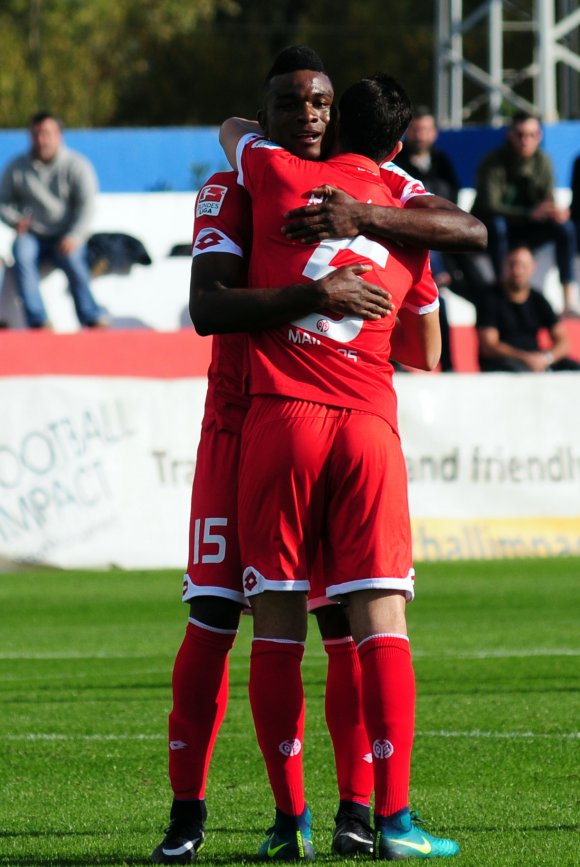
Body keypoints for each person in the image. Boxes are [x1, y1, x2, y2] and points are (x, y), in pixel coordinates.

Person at [152, 47, 483, 865]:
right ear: (267, 116)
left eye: (323, 103)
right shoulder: (240, 185)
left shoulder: (354, 189)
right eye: (295, 102)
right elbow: (208, 307)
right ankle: (198, 815)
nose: (310, 114)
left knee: (331, 620)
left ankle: (352, 813)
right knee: (215, 613)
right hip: (241, 418)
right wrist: (322, 289)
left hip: (286, 416)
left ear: (340, 114)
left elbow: (450, 236)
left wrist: (356, 225)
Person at [220, 71, 460, 861]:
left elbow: (231, 130)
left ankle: (290, 823)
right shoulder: (409, 220)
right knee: (378, 620)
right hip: (364, 423)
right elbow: (426, 352)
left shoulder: (273, 170)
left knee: (279, 625)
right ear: (396, 147)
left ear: (329, 123)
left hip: (279, 419)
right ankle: (391, 819)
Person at [0, 111, 107, 329]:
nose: (41, 140)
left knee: (75, 259)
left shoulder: (77, 166)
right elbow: (3, 202)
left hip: (65, 235)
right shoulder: (16, 167)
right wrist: (15, 220)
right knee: (21, 252)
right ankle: (38, 321)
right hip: (32, 236)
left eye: (47, 134)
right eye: (36, 134)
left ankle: (91, 317)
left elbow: (86, 207)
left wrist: (75, 236)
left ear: (59, 136)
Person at [471, 110, 579, 317]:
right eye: (520, 134)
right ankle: (502, 290)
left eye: (531, 135)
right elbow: (489, 205)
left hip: (529, 230)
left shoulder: (543, 161)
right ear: (510, 135)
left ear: (539, 136)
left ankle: (568, 299)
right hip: (498, 230)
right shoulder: (493, 161)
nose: (525, 140)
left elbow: (548, 198)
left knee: (565, 228)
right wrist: (529, 213)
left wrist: (555, 211)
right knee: (497, 226)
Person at [394, 106, 461, 370]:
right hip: (404, 237)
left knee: (441, 304)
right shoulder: (397, 166)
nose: (420, 135)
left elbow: (453, 213)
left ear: (434, 133)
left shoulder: (444, 163)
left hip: (437, 242)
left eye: (425, 130)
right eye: (415, 129)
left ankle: (451, 369)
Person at [476, 245, 580, 372]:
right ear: (504, 265)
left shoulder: (538, 299)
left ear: (532, 267)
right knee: (518, 370)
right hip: (503, 363)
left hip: (536, 360)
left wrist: (546, 358)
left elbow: (563, 342)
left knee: (574, 369)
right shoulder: (490, 299)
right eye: (512, 265)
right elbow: (489, 346)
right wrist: (525, 358)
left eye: (523, 266)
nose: (518, 270)